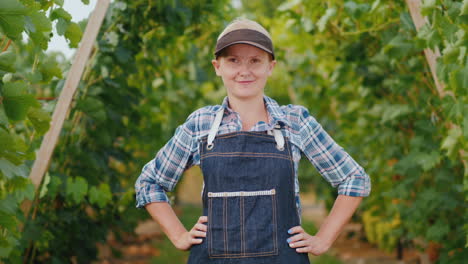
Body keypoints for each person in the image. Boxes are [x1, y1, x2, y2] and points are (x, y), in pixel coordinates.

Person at [135, 18, 371, 264]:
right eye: (233, 60)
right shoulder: (201, 124)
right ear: (218, 66)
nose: (244, 71)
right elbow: (149, 183)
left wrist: (323, 239)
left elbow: (354, 179)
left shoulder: (294, 121)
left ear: (271, 66)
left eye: (255, 60)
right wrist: (179, 236)